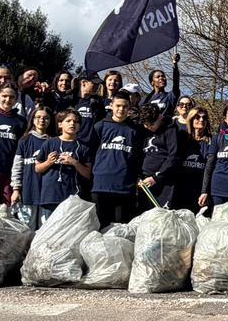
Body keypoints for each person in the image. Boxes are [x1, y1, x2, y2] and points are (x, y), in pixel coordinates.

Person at [82, 90, 143, 224]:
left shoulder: (135, 130)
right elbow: (90, 152)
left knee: (121, 228)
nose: (121, 109)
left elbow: (138, 157)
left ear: (129, 107)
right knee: (100, 226)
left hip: (125, 187)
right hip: (101, 185)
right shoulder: (100, 126)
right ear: (111, 105)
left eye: (125, 106)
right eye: (118, 105)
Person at [40, 110, 92, 220]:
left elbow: (88, 174)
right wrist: (48, 162)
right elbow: (37, 168)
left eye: (76, 121)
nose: (72, 123)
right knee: (50, 228)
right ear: (60, 124)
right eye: (68, 121)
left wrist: (74, 162)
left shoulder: (84, 147)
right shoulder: (49, 143)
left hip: (73, 198)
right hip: (51, 196)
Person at [9, 107, 55, 228]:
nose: (42, 120)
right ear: (33, 120)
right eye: (38, 117)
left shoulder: (54, 141)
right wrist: (16, 189)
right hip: (28, 192)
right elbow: (17, 166)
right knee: (27, 228)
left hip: (47, 195)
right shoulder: (25, 140)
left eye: (46, 118)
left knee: (45, 228)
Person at [139, 102, 181, 207]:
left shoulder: (171, 129)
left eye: (152, 124)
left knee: (161, 213)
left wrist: (156, 178)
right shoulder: (144, 130)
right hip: (144, 180)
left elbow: (173, 156)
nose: (149, 127)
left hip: (163, 181)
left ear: (160, 117)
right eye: (146, 125)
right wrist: (138, 176)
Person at [168, 107, 210, 211]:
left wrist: (205, 191)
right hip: (179, 189)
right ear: (191, 119)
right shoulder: (180, 139)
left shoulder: (211, 141)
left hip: (199, 191)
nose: (201, 120)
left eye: (204, 117)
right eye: (197, 117)